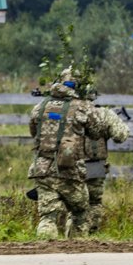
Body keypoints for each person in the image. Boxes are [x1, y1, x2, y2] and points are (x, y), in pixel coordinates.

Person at [27, 67, 105, 238]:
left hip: (42, 170)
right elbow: (96, 132)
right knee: (81, 212)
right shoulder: (83, 107)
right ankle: (75, 250)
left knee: (47, 216)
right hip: (70, 171)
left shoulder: (40, 106)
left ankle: (43, 249)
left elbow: (34, 133)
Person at [82, 98, 130, 235]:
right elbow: (120, 135)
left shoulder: (67, 111)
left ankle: (72, 235)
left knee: (72, 203)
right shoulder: (103, 114)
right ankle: (90, 236)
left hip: (68, 164)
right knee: (94, 202)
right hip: (94, 164)